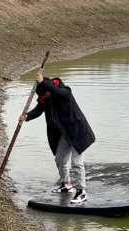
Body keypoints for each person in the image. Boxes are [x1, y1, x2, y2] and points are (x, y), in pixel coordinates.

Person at [19, 70, 95, 204]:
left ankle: (81, 192)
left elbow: (60, 93)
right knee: (60, 159)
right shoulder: (46, 98)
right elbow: (38, 109)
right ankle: (66, 185)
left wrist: (43, 82)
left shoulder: (63, 91)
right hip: (65, 134)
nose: (46, 96)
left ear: (49, 87)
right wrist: (26, 116)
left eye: (47, 93)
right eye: (44, 95)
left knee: (76, 163)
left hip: (77, 132)